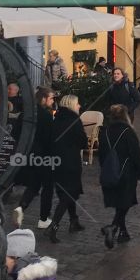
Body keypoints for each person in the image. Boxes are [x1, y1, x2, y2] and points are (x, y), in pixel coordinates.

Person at [97, 103, 140, 248]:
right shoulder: (128, 131)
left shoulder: (105, 131)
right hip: (126, 173)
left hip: (110, 172)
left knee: (120, 203)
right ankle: (113, 227)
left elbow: (101, 154)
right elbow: (136, 154)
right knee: (125, 202)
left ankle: (123, 232)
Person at [48, 94, 88, 238]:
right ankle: (54, 225)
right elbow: (83, 142)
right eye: (77, 104)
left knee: (67, 192)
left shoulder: (56, 119)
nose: (79, 106)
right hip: (71, 162)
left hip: (56, 161)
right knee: (70, 193)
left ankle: (74, 220)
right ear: (72, 105)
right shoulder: (74, 120)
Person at [18, 87, 57, 229]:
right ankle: (43, 218)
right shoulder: (45, 116)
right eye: (51, 98)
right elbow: (50, 138)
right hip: (44, 156)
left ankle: (21, 207)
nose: (53, 101)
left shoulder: (25, 114)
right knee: (48, 186)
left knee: (34, 184)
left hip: (27, 154)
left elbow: (16, 132)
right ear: (43, 99)